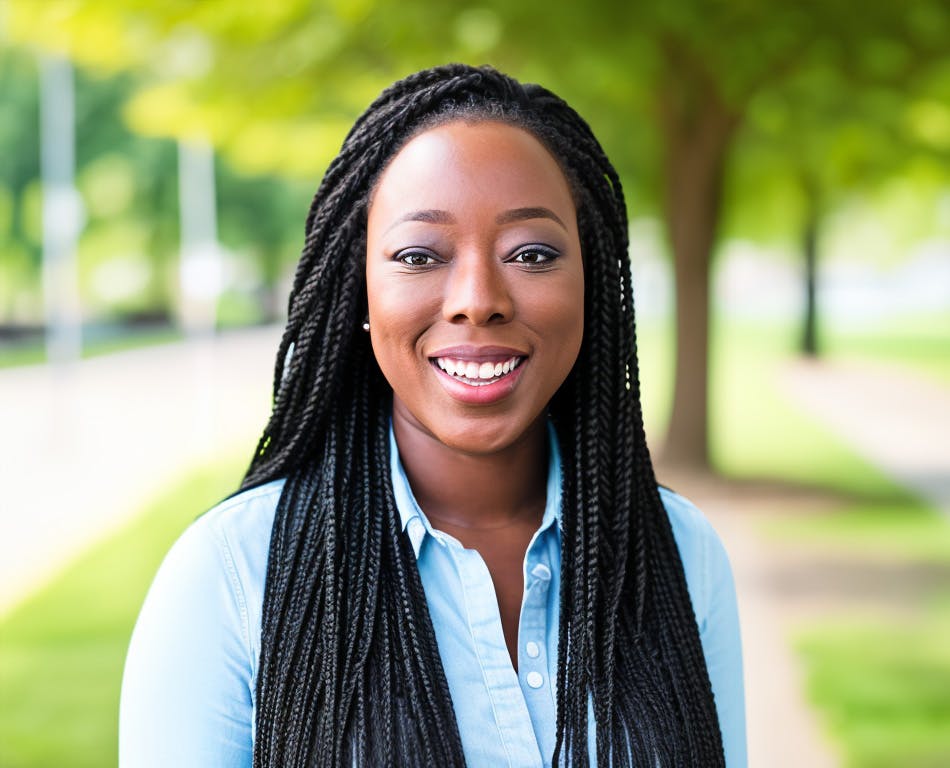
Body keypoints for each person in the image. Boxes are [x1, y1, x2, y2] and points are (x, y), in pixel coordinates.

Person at [119, 64, 745, 767]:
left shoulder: (680, 555)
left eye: (532, 253)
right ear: (359, 291)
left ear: (590, 283)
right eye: (419, 255)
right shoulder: (231, 578)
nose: (478, 299)